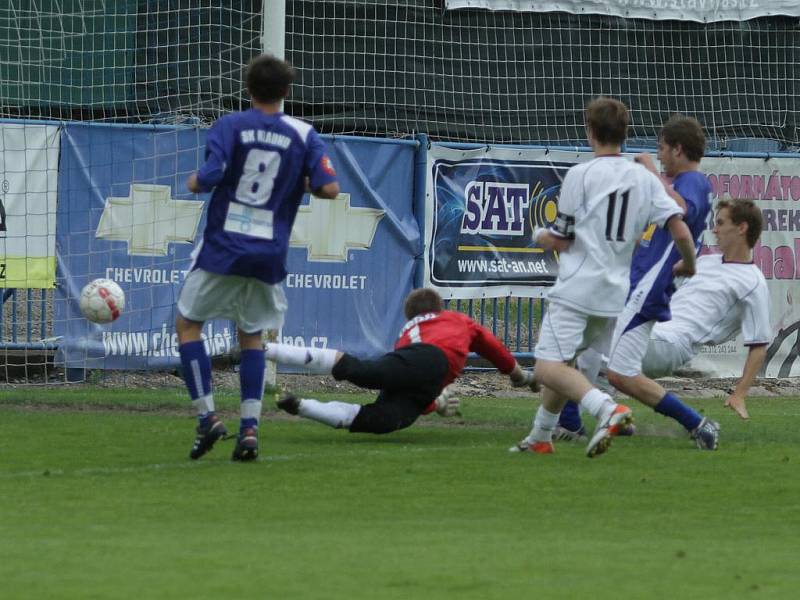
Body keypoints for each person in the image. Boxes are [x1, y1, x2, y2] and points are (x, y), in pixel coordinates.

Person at [513, 97, 698, 458]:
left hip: (578, 287)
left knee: (547, 367)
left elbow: (562, 241)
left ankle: (605, 408)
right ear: (625, 133)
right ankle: (540, 436)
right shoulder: (644, 179)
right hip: (614, 294)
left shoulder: (581, 175)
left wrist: (538, 235)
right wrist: (689, 265)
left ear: (590, 131)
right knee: (564, 363)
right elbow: (681, 231)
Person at [178, 54, 340, 461]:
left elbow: (212, 174)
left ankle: (208, 419)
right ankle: (249, 430)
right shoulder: (304, 133)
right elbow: (330, 189)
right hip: (268, 253)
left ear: (248, 88)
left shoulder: (230, 125)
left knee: (188, 325)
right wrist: (302, 183)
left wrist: (196, 180)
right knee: (251, 336)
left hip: (223, 247)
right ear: (287, 91)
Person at [559, 199, 770, 438]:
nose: (715, 229)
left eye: (720, 223)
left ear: (741, 228)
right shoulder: (706, 261)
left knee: (592, 327)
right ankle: (611, 417)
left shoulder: (753, 282)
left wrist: (740, 394)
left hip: (673, 343)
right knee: (593, 340)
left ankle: (570, 421)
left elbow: (759, 346)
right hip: (655, 326)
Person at [595, 114, 718, 449]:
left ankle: (698, 423)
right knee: (588, 349)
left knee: (620, 372)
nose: (659, 156)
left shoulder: (691, 182)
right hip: (637, 285)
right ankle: (582, 419)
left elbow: (679, 210)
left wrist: (649, 171)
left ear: (678, 149)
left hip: (645, 291)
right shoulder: (686, 184)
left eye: (661, 149)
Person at [267, 288, 538, 434]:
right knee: (366, 375)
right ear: (439, 309)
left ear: (411, 316)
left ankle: (300, 405)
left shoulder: (407, 333)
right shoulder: (456, 320)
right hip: (433, 363)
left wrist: (435, 401)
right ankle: (268, 350)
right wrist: (517, 374)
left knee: (384, 419)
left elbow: (406, 378)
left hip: (427, 370)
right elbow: (489, 343)